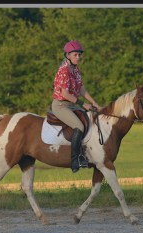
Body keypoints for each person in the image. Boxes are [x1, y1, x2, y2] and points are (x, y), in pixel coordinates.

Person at [52, 40, 101, 173]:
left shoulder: (75, 70)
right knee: (79, 126)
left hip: (71, 105)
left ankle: (86, 154)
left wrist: (94, 103)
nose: (78, 57)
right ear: (67, 55)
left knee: (89, 119)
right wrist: (83, 104)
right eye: (75, 55)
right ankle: (75, 160)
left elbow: (82, 90)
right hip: (61, 105)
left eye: (79, 55)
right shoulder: (64, 71)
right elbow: (65, 94)